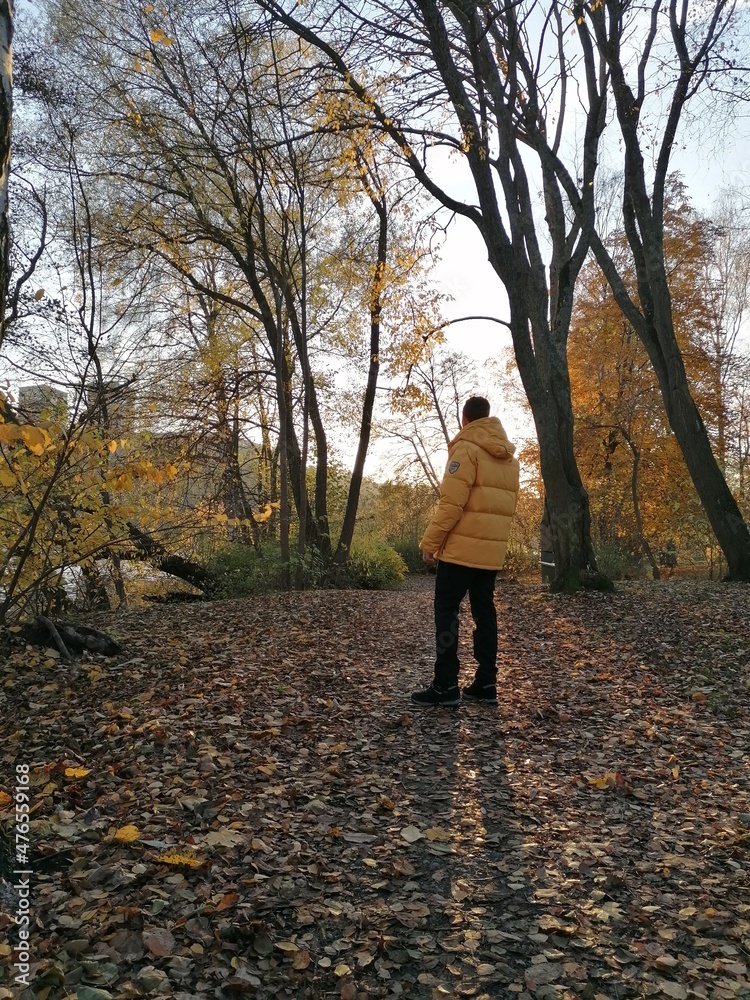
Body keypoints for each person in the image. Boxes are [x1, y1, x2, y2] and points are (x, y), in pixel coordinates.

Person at [412, 396, 520, 707]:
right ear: (489, 418)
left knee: (447, 612)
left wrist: (431, 542)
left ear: (465, 420)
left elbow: (452, 504)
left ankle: (446, 685)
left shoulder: (466, 449)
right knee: (484, 613)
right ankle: (486, 682)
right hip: (489, 556)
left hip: (459, 553)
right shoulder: (509, 460)